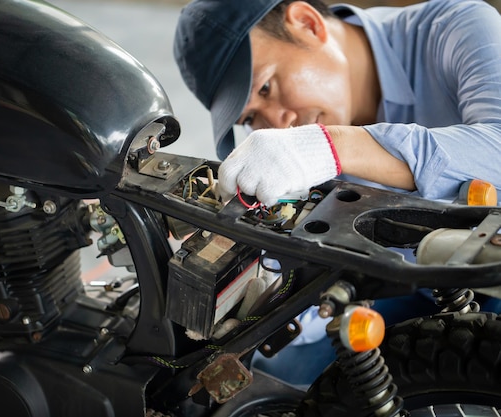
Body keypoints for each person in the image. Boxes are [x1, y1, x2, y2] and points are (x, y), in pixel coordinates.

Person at [173, 0, 501, 385]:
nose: (277, 124)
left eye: (266, 86)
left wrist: (331, 146)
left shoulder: (456, 27)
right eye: (250, 118)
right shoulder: (295, 146)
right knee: (272, 375)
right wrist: (258, 298)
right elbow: (309, 298)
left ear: (308, 24)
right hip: (410, 284)